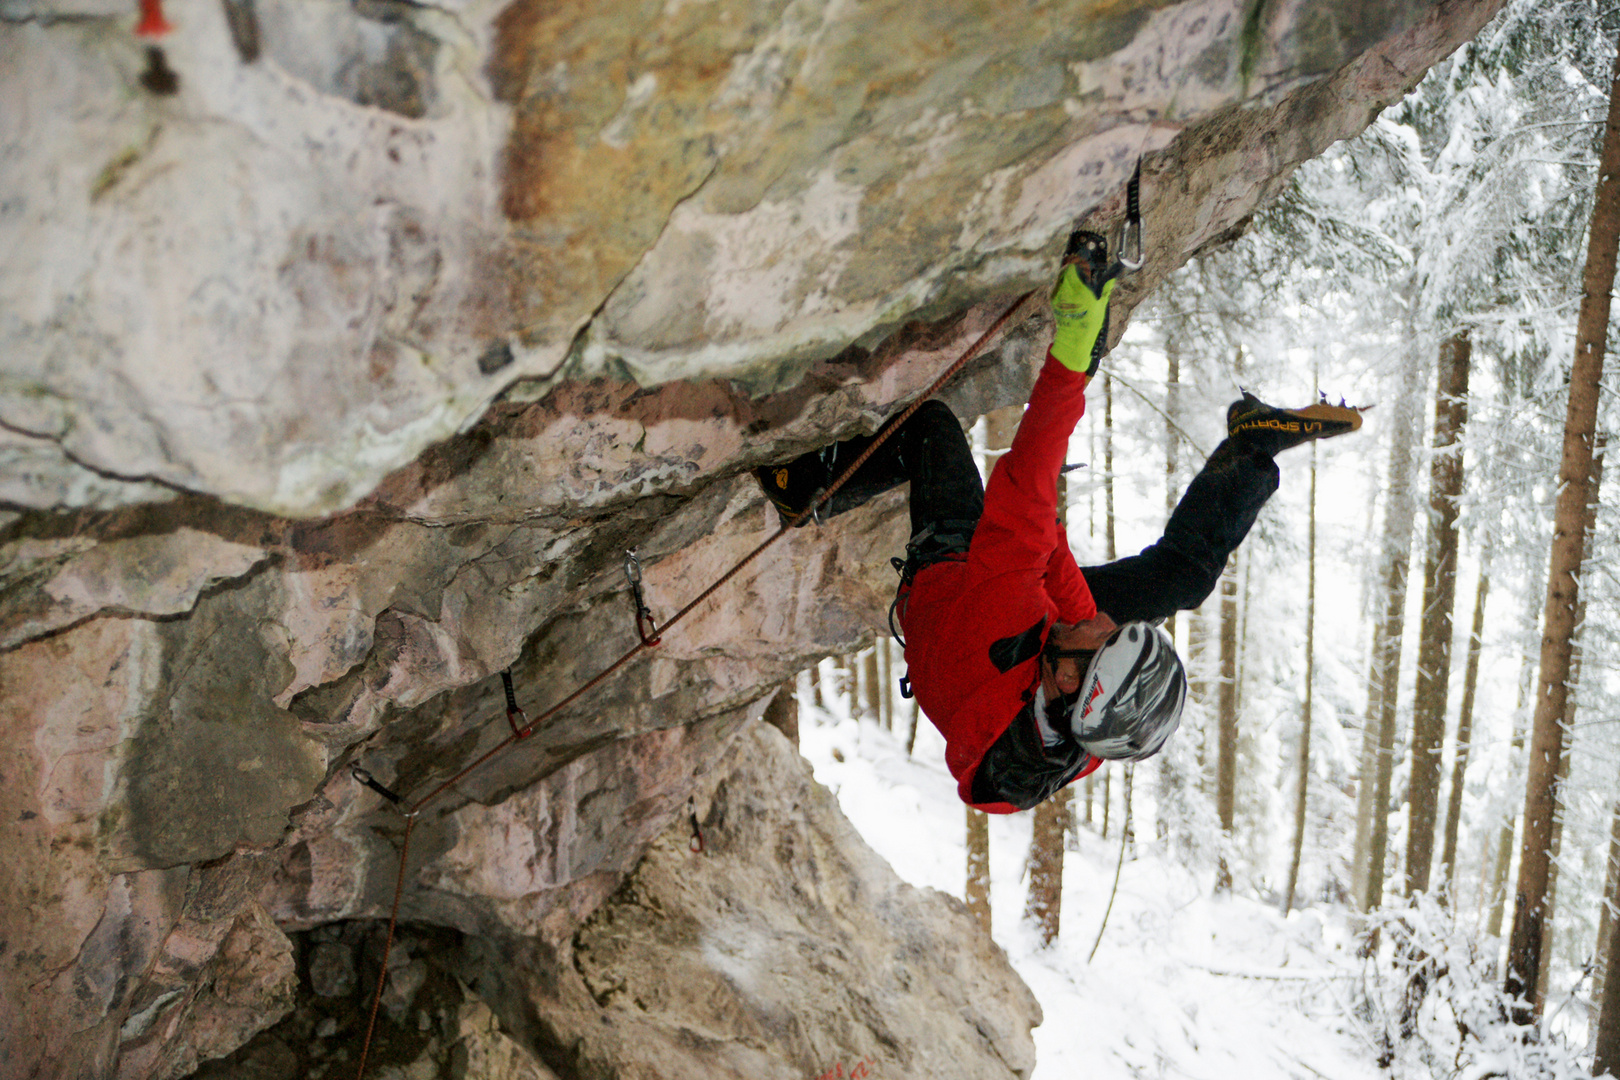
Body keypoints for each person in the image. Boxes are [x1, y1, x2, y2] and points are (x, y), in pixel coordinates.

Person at [756, 238, 1363, 813]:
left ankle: (798, 487)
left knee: (931, 427)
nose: (1109, 619)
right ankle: (1252, 450)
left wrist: (1072, 357)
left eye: (1109, 635)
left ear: (1069, 675)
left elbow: (1021, 492)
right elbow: (1056, 572)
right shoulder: (1088, 729)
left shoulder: (1007, 616)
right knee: (1181, 581)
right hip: (1027, 646)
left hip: (952, 590)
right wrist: (1050, 548)